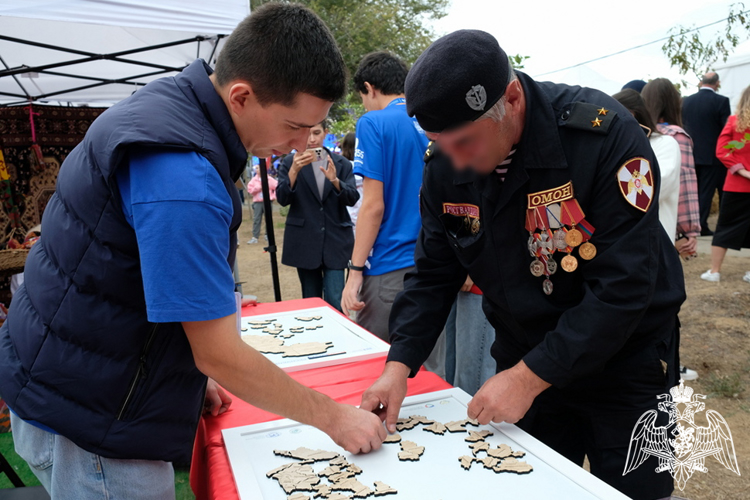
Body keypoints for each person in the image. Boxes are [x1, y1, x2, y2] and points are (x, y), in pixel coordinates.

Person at [0, 5, 385, 499]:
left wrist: (180, 373)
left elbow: (134, 274)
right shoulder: (183, 174)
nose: (297, 143)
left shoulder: (175, 105)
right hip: (91, 416)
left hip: (78, 375)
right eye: (293, 126)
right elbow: (219, 354)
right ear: (241, 95)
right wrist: (333, 417)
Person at [360, 30, 685, 500]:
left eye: (465, 142)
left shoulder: (602, 136)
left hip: (625, 363)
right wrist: (399, 364)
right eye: (440, 143)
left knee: (634, 491)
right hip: (526, 351)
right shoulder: (446, 164)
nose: (455, 161)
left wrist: (529, 376)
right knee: (528, 486)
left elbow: (624, 287)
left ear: (511, 98)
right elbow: (433, 274)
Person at [340, 51, 428, 341]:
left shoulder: (373, 122)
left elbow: (373, 206)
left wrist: (354, 271)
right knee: (431, 373)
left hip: (390, 265)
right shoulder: (428, 119)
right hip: (432, 263)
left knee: (379, 366)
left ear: (370, 88)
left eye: (362, 97)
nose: (364, 105)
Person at [276, 120, 359, 311]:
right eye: (307, 134)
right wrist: (294, 172)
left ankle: (338, 339)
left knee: (335, 298)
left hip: (336, 240)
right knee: (310, 301)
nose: (311, 139)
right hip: (305, 240)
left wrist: (335, 181)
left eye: (316, 133)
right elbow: (282, 198)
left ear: (325, 133)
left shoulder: (341, 163)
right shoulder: (289, 162)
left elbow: (352, 197)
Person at [642, 78, 701, 259]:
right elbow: (685, 184)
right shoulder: (676, 136)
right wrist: (689, 230)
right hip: (664, 221)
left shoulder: (638, 133)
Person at [613, 89, 681, 241]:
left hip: (654, 242)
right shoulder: (613, 147)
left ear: (632, 115)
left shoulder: (665, 144)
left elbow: (650, 190)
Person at [701, 84, 750, 283]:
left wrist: (742, 170)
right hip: (738, 185)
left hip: (736, 185)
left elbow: (721, 151)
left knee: (725, 227)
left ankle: (714, 271)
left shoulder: (734, 121)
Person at [681, 72, 732, 235]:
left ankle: (694, 224)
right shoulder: (721, 101)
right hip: (713, 156)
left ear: (700, 82)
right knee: (707, 192)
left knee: (693, 192)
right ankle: (702, 225)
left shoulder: (686, 101)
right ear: (717, 83)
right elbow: (726, 129)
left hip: (690, 153)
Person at [247, 164, 277, 244]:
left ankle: (268, 235)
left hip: (268, 201)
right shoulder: (253, 180)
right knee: (257, 219)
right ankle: (255, 237)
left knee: (268, 218)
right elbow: (250, 190)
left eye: (258, 168)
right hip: (258, 202)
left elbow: (277, 186)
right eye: (256, 168)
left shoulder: (269, 179)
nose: (256, 169)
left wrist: (273, 196)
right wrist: (257, 188)